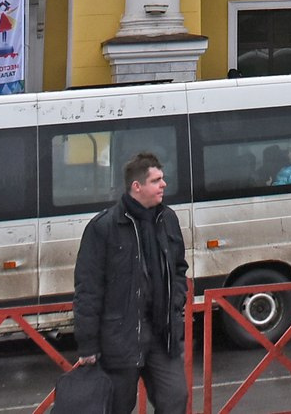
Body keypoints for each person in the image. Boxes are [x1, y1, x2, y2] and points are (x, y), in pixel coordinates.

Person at [71, 150, 189, 414]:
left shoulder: (167, 219)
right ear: (137, 186)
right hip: (119, 339)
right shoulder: (103, 227)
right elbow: (88, 289)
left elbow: (179, 268)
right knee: (117, 407)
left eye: (162, 179)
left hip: (162, 335)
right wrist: (87, 344)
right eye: (156, 180)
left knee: (175, 399)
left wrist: (177, 300)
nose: (164, 185)